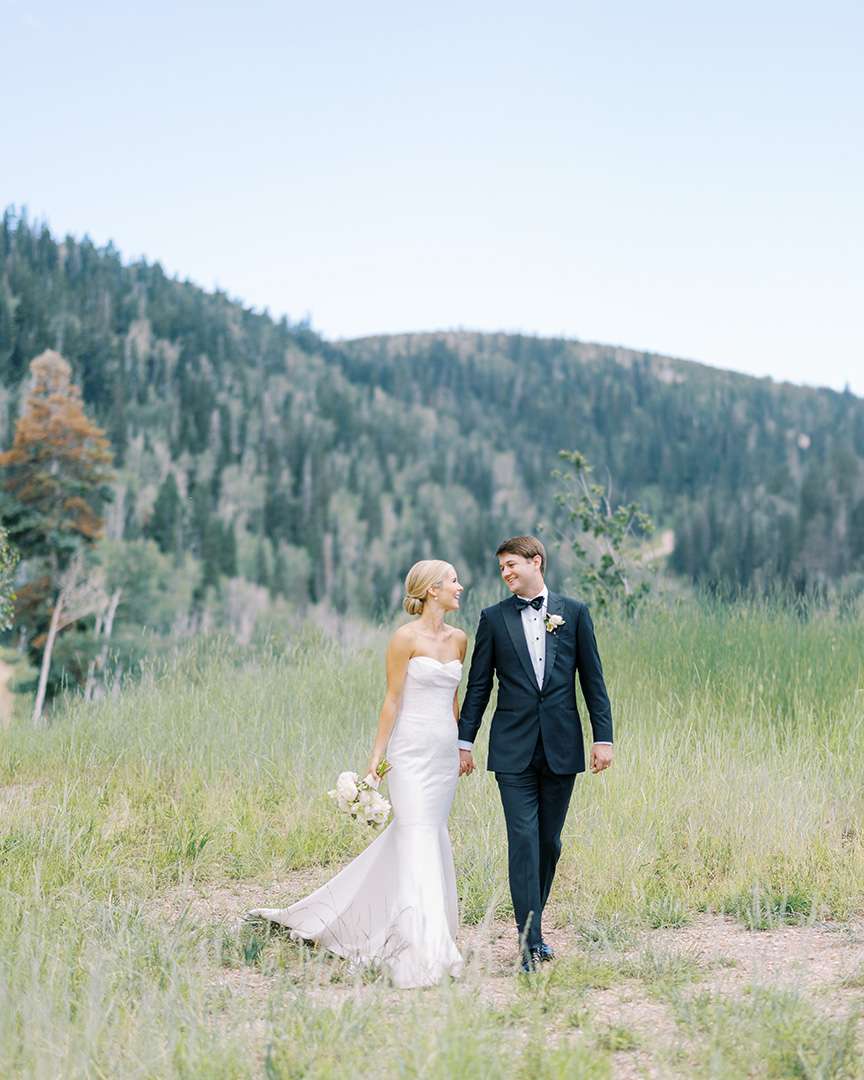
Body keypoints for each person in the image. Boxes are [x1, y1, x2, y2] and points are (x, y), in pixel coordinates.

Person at [248, 560, 467, 989]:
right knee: (416, 833)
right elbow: (392, 700)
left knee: (426, 833)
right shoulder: (404, 638)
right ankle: (421, 944)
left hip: (443, 756)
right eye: (454, 581)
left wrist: (462, 748)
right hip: (409, 753)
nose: (461, 587)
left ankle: (369, 915)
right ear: (432, 589)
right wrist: (376, 760)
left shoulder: (460, 639)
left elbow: (453, 698)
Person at [458, 535, 613, 971]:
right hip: (513, 750)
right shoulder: (492, 619)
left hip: (562, 746)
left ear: (536, 562)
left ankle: (536, 929)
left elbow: (593, 681)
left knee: (549, 843)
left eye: (511, 565)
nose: (506, 573)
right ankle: (528, 944)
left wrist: (604, 738)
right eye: (501, 568)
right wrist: (463, 742)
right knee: (523, 842)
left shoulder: (575, 613)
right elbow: (478, 688)